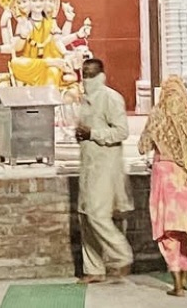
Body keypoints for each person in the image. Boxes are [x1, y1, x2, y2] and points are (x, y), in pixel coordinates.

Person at [139, 76, 187, 296]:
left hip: (164, 178)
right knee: (184, 229)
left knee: (168, 232)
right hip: (185, 179)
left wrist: (159, 141)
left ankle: (177, 283)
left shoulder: (157, 115)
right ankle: (185, 270)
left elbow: (143, 146)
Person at [75, 57, 134, 284]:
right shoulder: (84, 100)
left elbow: (121, 132)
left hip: (106, 166)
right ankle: (93, 269)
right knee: (85, 215)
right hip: (88, 163)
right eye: (84, 73)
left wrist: (93, 134)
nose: (87, 78)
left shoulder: (111, 98)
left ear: (101, 74)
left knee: (97, 214)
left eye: (91, 74)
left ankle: (122, 255)